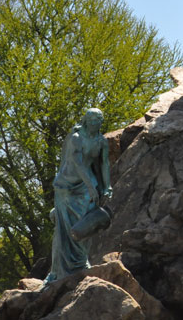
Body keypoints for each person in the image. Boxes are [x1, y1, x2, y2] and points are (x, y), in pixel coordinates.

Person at [44, 108, 112, 283]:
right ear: (86, 121)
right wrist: (91, 187)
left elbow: (103, 164)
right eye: (93, 121)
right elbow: (78, 164)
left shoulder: (101, 141)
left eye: (99, 121)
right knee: (64, 230)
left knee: (86, 223)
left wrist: (107, 186)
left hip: (86, 184)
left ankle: (81, 262)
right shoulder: (76, 139)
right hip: (66, 186)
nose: (96, 124)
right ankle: (58, 271)